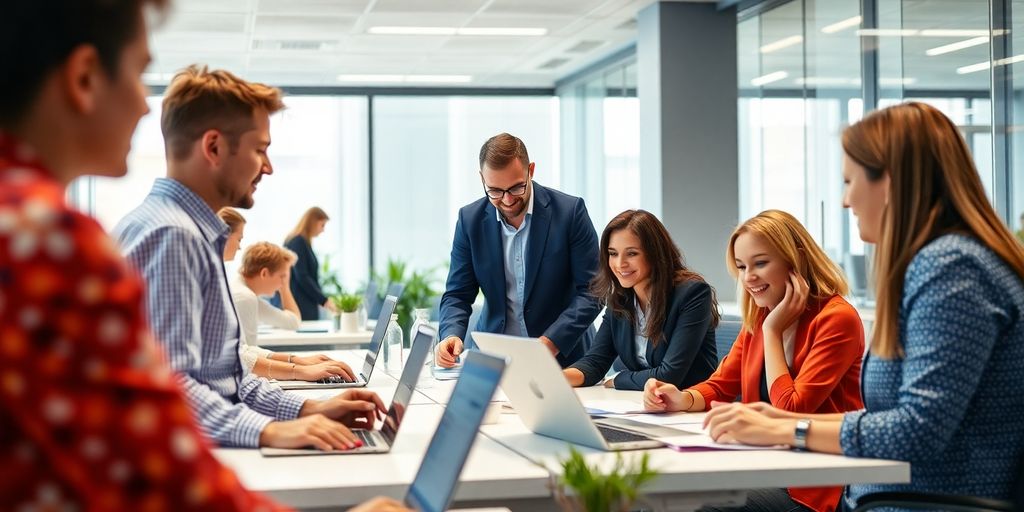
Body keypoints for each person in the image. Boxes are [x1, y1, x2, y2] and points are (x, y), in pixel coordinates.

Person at [0, 1, 408, 510]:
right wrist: (276, 428)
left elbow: (219, 381)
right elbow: (160, 451)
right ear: (84, 77)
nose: (146, 107)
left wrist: (304, 406)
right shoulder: (51, 236)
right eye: (136, 73)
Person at [699, 102, 1024, 509]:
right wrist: (779, 421)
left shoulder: (950, 268)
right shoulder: (947, 262)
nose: (844, 201)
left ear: (888, 182)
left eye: (850, 181)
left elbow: (918, 430)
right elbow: (895, 419)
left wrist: (789, 430)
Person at [115, 65, 386, 453]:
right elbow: (172, 386)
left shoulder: (186, 231)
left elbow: (226, 377)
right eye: (260, 150)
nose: (269, 167)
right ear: (213, 148)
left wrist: (307, 409)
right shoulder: (173, 237)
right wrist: (269, 431)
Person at [644, 209, 865, 512]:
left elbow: (792, 408)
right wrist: (682, 398)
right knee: (652, 496)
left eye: (760, 263)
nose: (749, 277)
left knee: (693, 507)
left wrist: (772, 332)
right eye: (741, 266)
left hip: (810, 483)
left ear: (796, 259)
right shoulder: (762, 314)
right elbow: (721, 385)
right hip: (760, 461)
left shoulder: (836, 319)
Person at [436, 133, 601, 369]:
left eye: (516, 188)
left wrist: (551, 341)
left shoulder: (570, 213)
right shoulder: (469, 220)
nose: (507, 200)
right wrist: (451, 334)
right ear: (482, 179)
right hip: (495, 360)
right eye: (494, 191)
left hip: (564, 360)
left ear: (530, 170)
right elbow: (458, 294)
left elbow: (594, 292)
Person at [563, 209, 719, 390]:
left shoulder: (692, 294)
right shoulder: (620, 300)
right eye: (613, 253)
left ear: (654, 253)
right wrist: (553, 378)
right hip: (644, 406)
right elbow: (594, 363)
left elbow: (668, 375)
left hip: (690, 407)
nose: (620, 264)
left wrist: (618, 379)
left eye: (631, 253)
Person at [232, 241, 354, 382]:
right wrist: (299, 369)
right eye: (282, 277)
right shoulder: (243, 297)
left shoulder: (244, 291)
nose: (283, 283)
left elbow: (292, 322)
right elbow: (245, 359)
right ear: (264, 273)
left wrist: (296, 360)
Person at [284, 206, 336, 320]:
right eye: (322, 225)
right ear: (312, 222)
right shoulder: (298, 242)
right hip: (300, 304)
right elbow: (302, 276)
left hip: (303, 303)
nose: (323, 230)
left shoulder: (303, 243)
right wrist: (324, 300)